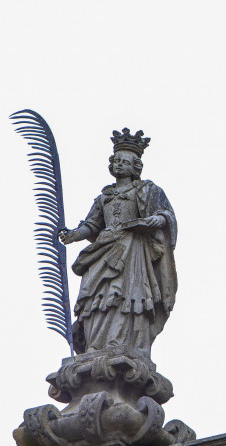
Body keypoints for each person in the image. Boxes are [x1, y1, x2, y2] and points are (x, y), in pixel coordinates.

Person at [59, 129, 177, 355]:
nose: (120, 165)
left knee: (126, 294)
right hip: (104, 248)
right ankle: (96, 343)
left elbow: (166, 214)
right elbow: (92, 225)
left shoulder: (147, 190)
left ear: (135, 168)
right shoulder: (104, 196)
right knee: (95, 295)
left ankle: (123, 342)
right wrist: (74, 234)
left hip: (132, 250)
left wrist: (155, 219)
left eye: (125, 162)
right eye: (117, 161)